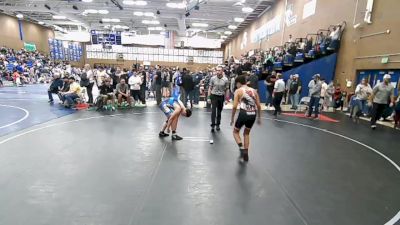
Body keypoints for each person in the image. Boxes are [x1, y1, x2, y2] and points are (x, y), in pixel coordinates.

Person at [230, 75, 261, 163]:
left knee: (235, 132)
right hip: (253, 114)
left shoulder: (238, 91)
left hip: (244, 113)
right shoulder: (254, 90)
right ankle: (246, 152)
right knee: (246, 133)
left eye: (236, 84)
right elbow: (258, 105)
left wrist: (232, 118)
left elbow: (235, 106)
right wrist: (259, 118)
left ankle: (241, 148)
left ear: (238, 83)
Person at [207, 66, 230, 132]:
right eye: (217, 70)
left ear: (222, 71)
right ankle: (213, 125)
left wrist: (226, 99)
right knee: (213, 111)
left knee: (219, 112)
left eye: (219, 70)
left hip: (221, 96)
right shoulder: (212, 78)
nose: (218, 71)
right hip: (214, 96)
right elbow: (210, 88)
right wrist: (208, 98)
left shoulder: (225, 79)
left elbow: (227, 90)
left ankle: (218, 125)